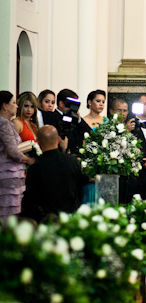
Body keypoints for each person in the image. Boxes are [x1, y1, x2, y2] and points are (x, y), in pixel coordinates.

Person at [21, 125, 86, 222]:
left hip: (46, 220)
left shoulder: (35, 168)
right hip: (71, 217)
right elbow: (81, 187)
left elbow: (30, 199)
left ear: (38, 142)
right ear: (59, 140)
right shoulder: (72, 162)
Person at [0, 91, 34, 219]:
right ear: (4, 106)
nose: (17, 106)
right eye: (14, 103)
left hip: (12, 174)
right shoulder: (3, 123)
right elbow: (12, 151)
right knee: (8, 215)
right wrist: (29, 160)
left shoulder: (6, 123)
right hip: (8, 174)